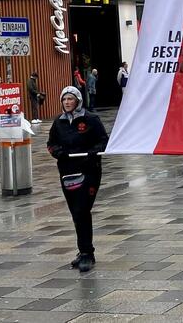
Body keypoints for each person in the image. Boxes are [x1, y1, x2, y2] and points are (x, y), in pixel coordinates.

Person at [46, 86, 108, 273]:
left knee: (82, 210)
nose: (67, 102)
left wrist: (93, 152)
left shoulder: (91, 119)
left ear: (78, 100)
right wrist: (57, 152)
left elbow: (104, 140)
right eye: (64, 99)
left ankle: (87, 253)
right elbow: (51, 143)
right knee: (76, 212)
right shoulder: (59, 122)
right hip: (68, 171)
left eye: (70, 99)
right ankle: (83, 251)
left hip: (89, 170)